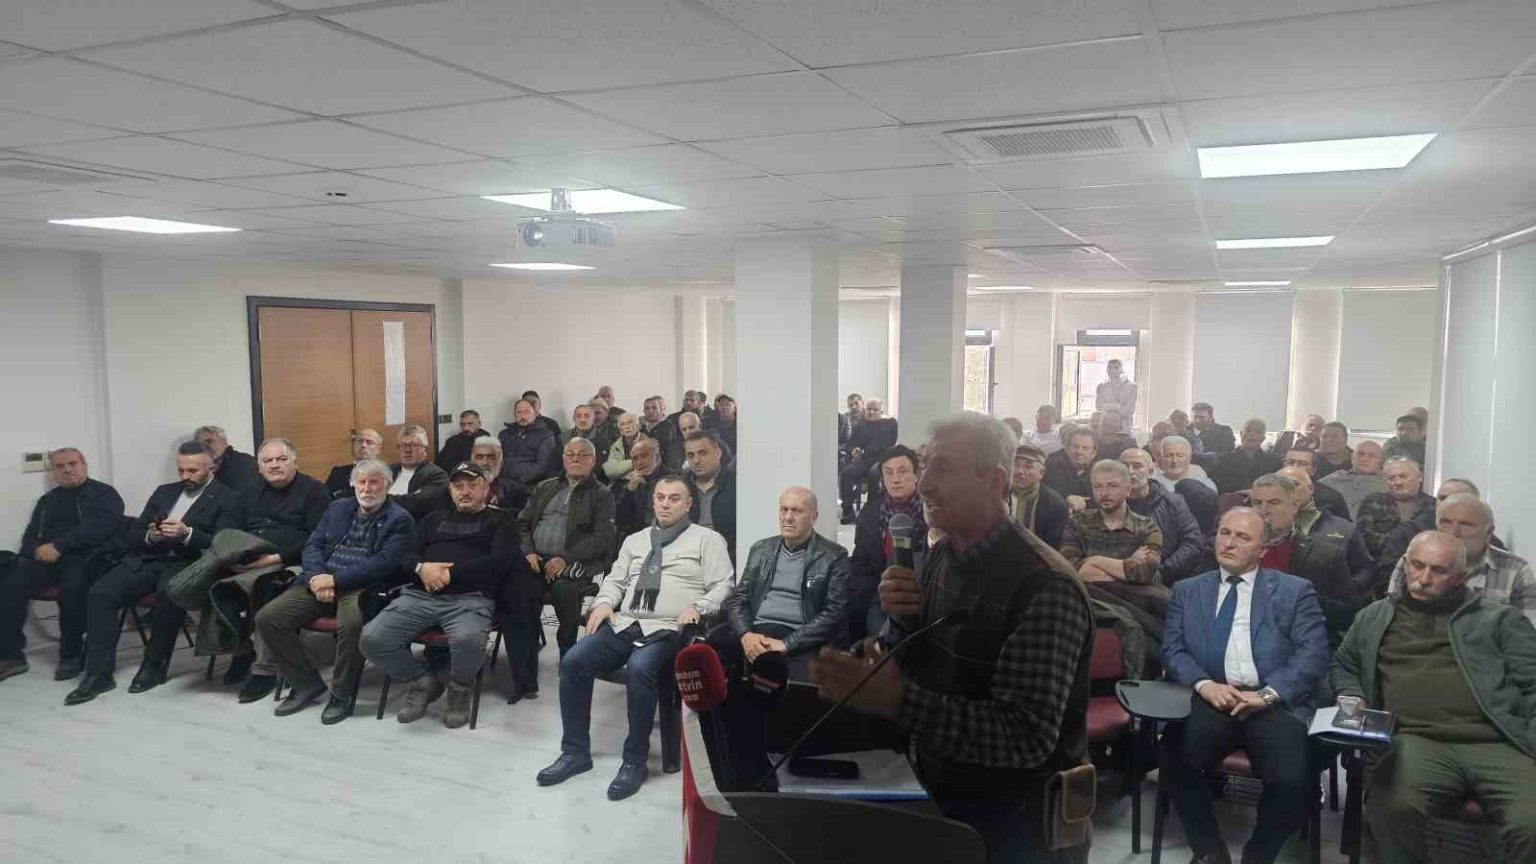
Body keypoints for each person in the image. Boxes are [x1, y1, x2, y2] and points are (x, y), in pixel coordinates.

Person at [810, 412, 1095, 863]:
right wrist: (900, 625)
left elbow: (1025, 736)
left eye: (942, 468)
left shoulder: (1045, 586)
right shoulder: (945, 554)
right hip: (948, 798)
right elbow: (929, 660)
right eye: (925, 465)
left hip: (1022, 827)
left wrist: (898, 699)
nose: (923, 484)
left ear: (995, 481)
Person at [1332, 530, 1536, 864]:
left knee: (1531, 822)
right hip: (1415, 741)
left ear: (1461, 576)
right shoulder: (1374, 617)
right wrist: (1353, 697)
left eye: (1438, 570)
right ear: (1404, 563)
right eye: (1417, 565)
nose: (1424, 579)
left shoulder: (1499, 619)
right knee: (1392, 808)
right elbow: (1344, 664)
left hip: (1497, 742)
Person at [537, 475, 733, 801]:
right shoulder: (635, 540)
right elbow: (615, 580)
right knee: (573, 661)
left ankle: (635, 761)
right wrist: (604, 602)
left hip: (670, 628)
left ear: (688, 504)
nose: (665, 504)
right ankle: (574, 752)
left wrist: (698, 607)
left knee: (641, 667)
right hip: (627, 622)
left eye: (674, 498)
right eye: (660, 497)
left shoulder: (707, 540)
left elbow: (723, 586)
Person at [1160, 507, 1330, 864]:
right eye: (1225, 533)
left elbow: (1313, 654)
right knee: (1174, 762)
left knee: (1292, 783)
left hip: (1271, 700)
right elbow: (1172, 650)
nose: (1229, 542)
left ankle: (1258, 854)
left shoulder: (1295, 591)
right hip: (1212, 698)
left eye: (1242, 537)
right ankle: (1209, 851)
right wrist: (1204, 684)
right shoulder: (1187, 590)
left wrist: (1266, 695)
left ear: (1262, 549)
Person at [146, 438, 329, 703]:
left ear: (294, 462)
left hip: (288, 559)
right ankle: (240, 648)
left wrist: (274, 558)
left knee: (263, 588)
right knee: (189, 586)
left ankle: (265, 670)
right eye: (267, 461)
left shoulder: (315, 491)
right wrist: (233, 556)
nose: (274, 465)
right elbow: (229, 530)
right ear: (259, 466)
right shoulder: (248, 493)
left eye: (281, 459)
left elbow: (318, 538)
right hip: (245, 556)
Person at [65, 443, 242, 705]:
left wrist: (187, 534)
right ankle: (98, 673)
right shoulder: (165, 492)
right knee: (101, 593)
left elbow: (222, 542)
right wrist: (151, 535)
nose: (185, 476)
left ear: (211, 467)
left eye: (193, 470)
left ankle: (154, 664)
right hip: (148, 558)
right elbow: (134, 533)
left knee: (169, 594)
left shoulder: (228, 498)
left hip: (188, 562)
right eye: (181, 469)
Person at [254, 459, 414, 724]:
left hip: (362, 587)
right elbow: (313, 545)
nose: (367, 488)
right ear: (353, 485)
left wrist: (335, 581)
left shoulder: (399, 519)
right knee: (268, 618)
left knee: (351, 625)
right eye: (361, 482)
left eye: (374, 482)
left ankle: (342, 695)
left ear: (387, 485)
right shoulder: (338, 507)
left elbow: (384, 563)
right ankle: (305, 683)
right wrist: (317, 577)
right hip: (321, 579)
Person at [360, 462, 518, 728]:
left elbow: (501, 562)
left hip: (471, 598)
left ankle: (459, 688)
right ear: (450, 490)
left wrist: (449, 574)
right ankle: (422, 680)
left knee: (468, 641)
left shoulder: (502, 520)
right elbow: (407, 555)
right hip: (421, 596)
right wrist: (422, 569)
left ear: (486, 489)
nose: (464, 491)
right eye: (458, 486)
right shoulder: (433, 519)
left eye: (472, 485)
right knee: (372, 640)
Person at [714, 486, 851, 788]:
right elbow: (738, 600)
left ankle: (751, 771)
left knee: (763, 676)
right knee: (716, 657)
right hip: (756, 629)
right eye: (784, 509)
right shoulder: (762, 549)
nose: (788, 517)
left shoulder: (833, 556)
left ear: (813, 516)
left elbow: (834, 614)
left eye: (797, 511)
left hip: (796, 634)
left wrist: (788, 644)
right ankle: (729, 760)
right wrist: (746, 635)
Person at [0, 448, 124, 683]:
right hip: (48, 559)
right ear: (53, 472)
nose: (67, 470)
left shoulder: (104, 494)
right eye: (60, 466)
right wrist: (34, 551)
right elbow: (31, 535)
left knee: (72, 588)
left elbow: (101, 528)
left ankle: (71, 655)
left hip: (88, 557)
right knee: (9, 584)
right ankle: (10, 656)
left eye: (72, 464)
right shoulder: (47, 500)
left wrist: (60, 545)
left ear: (83, 465)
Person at [515, 438, 616, 674]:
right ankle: (525, 650)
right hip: (536, 561)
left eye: (582, 455)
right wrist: (528, 552)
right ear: (563, 459)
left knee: (564, 589)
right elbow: (521, 525)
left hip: (575, 564)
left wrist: (565, 558)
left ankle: (567, 648)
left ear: (593, 460)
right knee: (518, 588)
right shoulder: (545, 487)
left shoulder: (602, 495)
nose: (575, 459)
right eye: (570, 454)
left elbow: (602, 538)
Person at [1247, 474, 1365, 647]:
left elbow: (1348, 613)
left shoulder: (1325, 554)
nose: (1264, 510)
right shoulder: (1226, 549)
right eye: (1257, 503)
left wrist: (1301, 600)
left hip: (1303, 643)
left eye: (1274, 502)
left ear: (1294, 506)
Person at [1383, 494, 1535, 624]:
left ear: (1489, 532)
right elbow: (1391, 616)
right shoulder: (1414, 561)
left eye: (1465, 525)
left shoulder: (1515, 570)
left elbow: (1528, 631)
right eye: (1445, 523)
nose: (1453, 532)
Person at [848, 445, 925, 643]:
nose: (895, 479)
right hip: (880, 597)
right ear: (882, 479)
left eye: (903, 471)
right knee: (879, 645)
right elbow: (860, 562)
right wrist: (876, 591)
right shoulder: (870, 514)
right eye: (889, 473)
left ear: (916, 475)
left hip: (923, 598)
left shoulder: (931, 512)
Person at [1375, 478, 1487, 594]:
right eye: (1442, 498)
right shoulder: (1409, 532)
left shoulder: (1490, 546)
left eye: (1457, 499)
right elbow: (1387, 580)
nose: (1448, 503)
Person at [1060, 460, 1164, 586]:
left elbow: (1145, 573)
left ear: (1128, 490)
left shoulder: (1148, 527)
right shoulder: (1076, 524)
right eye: (1098, 486)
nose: (1104, 493)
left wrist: (1094, 560)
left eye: (1112, 486)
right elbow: (1071, 570)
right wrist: (1128, 564)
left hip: (1134, 597)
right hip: (1089, 596)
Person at [1277, 465, 1376, 596]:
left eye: (1295, 484)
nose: (1289, 491)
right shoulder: (1262, 528)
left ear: (1310, 488)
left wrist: (1348, 591)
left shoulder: (1342, 528)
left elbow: (1366, 568)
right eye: (1282, 486)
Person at [1122, 448, 1204, 583]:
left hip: (1165, 577)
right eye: (1124, 466)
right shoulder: (1108, 504)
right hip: (1120, 577)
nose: (1130, 471)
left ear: (1150, 472)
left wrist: (1162, 572)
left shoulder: (1173, 502)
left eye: (1137, 466)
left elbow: (1193, 543)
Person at [1354, 455, 1435, 558]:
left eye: (1403, 477)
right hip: (1380, 562)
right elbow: (1363, 537)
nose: (1398, 483)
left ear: (1419, 477)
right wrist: (1409, 542)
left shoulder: (1433, 505)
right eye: (1391, 478)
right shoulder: (1373, 502)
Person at [840, 398, 899, 522]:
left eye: (875, 410)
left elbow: (886, 444)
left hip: (881, 460)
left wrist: (862, 451)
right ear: (864, 410)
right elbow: (849, 444)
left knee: (874, 474)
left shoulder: (890, 424)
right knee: (846, 472)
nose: (871, 412)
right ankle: (848, 511)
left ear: (881, 411)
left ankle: (871, 511)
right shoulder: (860, 425)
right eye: (869, 409)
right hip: (864, 461)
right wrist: (854, 451)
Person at [685, 430, 736, 564]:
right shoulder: (681, 486)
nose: (696, 460)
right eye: (691, 455)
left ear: (718, 453)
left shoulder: (737, 484)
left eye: (703, 453)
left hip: (727, 558)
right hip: (688, 558)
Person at [1009, 443, 1068, 548]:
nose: (1019, 471)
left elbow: (1053, 546)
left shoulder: (1055, 504)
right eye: (1016, 464)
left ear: (1041, 473)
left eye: (1028, 467)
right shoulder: (996, 496)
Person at [500, 398, 561, 500]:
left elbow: (543, 465)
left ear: (535, 414)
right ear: (514, 414)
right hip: (503, 483)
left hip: (529, 485)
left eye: (526, 412)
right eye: (519, 412)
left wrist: (520, 480)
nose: (522, 416)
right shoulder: (504, 434)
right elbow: (498, 460)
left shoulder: (546, 435)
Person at [387, 424, 448, 519]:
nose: (407, 450)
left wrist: (380, 500)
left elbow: (415, 503)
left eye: (414, 445)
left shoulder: (437, 475)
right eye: (403, 445)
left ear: (425, 450)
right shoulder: (387, 471)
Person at [1318, 439, 1387, 520]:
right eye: (1360, 454)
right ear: (1352, 458)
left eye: (1371, 456)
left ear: (1381, 461)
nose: (1364, 459)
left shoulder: (1387, 485)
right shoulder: (1335, 478)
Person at [611, 438, 664, 543]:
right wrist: (629, 491)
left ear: (657, 456)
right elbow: (619, 520)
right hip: (637, 540)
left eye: (644, 456)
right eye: (635, 458)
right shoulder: (628, 485)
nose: (639, 462)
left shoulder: (674, 479)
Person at [1210, 418, 1282, 494]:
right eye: (1248, 430)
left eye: (1258, 432)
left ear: (1263, 438)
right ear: (1241, 434)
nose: (1252, 434)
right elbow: (1216, 486)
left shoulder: (1274, 463)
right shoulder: (1223, 460)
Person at [1280, 447, 1350, 522]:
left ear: (1313, 469)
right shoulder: (1270, 488)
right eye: (1290, 462)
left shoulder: (1330, 497)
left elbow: (1343, 526)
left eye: (1303, 464)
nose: (1295, 467)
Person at [194, 425, 261, 495]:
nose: (205, 446)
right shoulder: (199, 469)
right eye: (200, 444)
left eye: (209, 441)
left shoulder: (243, 462)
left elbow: (248, 496)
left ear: (224, 443)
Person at [1043, 426, 1097, 510]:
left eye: (1085, 448)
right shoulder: (1051, 466)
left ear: (1093, 453)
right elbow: (1042, 492)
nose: (1079, 452)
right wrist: (1066, 498)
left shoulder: (1100, 472)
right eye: (1075, 446)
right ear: (1067, 448)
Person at [325, 428, 381, 499]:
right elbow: (326, 498)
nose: (363, 445)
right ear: (354, 445)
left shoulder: (385, 474)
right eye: (360, 441)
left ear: (378, 449)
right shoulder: (338, 473)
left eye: (369, 442)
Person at [640, 395, 684, 472]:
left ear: (661, 410)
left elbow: (653, 445)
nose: (650, 411)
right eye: (647, 408)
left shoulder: (667, 426)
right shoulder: (641, 428)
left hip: (666, 468)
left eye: (654, 408)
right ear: (643, 411)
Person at [1096, 358, 1137, 422]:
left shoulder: (1132, 387)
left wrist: (1108, 407)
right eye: (1110, 367)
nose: (1113, 371)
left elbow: (1130, 409)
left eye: (1116, 367)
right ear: (1107, 370)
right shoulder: (1101, 387)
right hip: (1106, 423)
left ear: (1121, 369)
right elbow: (1099, 406)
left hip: (1124, 424)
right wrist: (1119, 406)